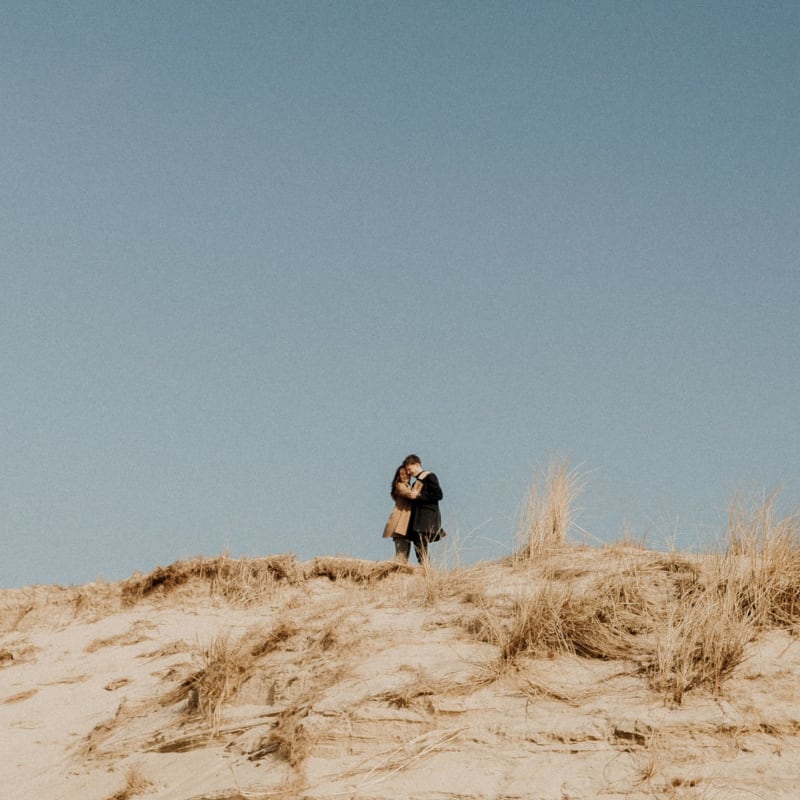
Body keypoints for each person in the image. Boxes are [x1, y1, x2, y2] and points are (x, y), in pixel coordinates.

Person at [403, 454, 445, 564]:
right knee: (418, 543)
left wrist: (419, 496)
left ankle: (426, 568)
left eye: (409, 469)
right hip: (418, 519)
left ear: (417, 465)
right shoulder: (415, 482)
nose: (408, 473)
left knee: (421, 542)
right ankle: (424, 567)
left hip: (426, 518)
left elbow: (438, 495)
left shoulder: (430, 476)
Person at [382, 464, 421, 563]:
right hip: (400, 524)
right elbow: (411, 495)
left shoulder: (408, 486)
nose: (405, 476)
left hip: (405, 525)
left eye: (407, 474)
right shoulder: (399, 485)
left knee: (404, 556)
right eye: (402, 474)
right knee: (401, 557)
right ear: (398, 476)